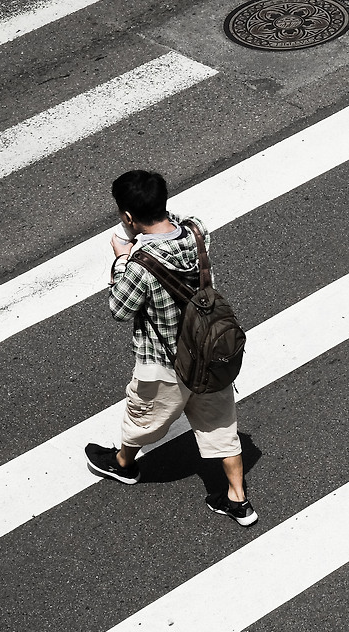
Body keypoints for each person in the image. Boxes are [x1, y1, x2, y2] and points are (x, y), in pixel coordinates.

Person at [84, 170, 256, 526]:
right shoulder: (196, 231)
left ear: (128, 218)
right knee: (221, 425)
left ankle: (123, 464)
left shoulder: (139, 265)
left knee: (143, 417)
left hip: (165, 362)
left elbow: (119, 309)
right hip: (210, 354)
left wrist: (120, 259)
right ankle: (238, 500)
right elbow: (176, 224)